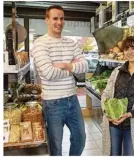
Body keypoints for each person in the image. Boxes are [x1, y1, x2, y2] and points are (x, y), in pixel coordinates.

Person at [31, 5, 88, 156]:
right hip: (52, 103)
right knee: (55, 147)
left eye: (62, 18)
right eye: (55, 18)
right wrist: (72, 68)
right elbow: (48, 73)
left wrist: (64, 65)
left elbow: (85, 66)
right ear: (47, 20)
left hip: (72, 99)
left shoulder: (71, 42)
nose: (59, 22)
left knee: (80, 138)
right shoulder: (40, 43)